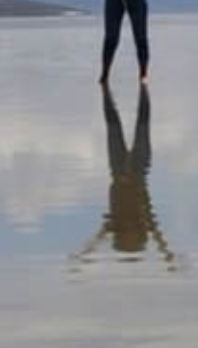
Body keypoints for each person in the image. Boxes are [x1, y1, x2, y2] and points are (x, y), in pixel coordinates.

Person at [69, 86, 177, 272]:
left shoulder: (117, 223)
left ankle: (117, 90)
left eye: (127, 238)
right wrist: (167, 254)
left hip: (119, 168)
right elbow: (158, 234)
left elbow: (99, 237)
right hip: (137, 167)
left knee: (117, 122)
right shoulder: (141, 219)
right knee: (139, 121)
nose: (129, 234)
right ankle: (136, 88)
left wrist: (83, 256)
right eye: (132, 238)